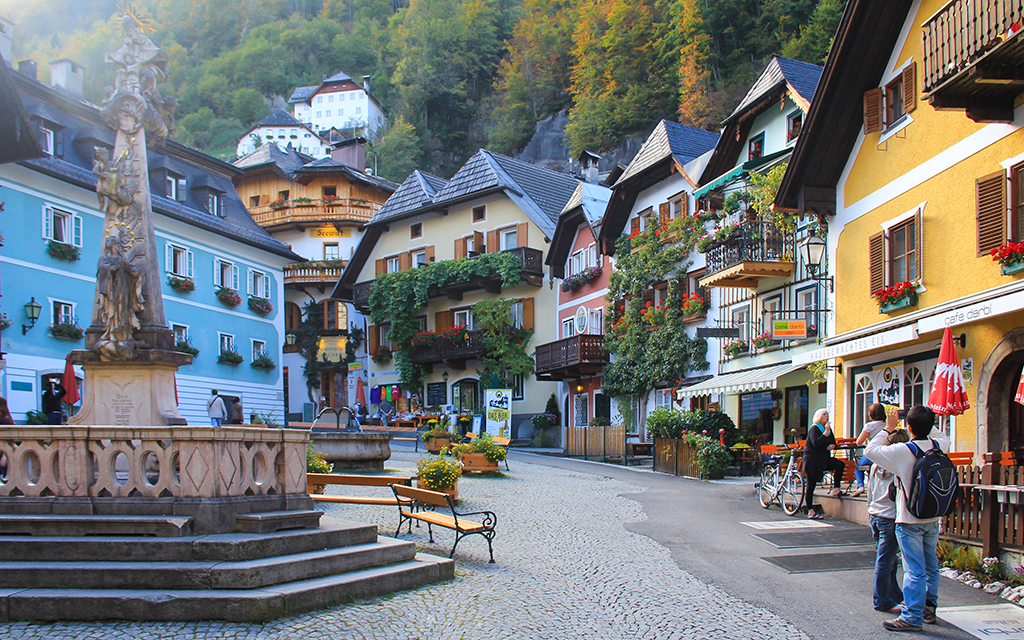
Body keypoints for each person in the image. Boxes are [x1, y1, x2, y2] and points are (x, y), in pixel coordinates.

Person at [866, 405, 950, 632]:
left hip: (909, 518)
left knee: (914, 569)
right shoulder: (940, 445)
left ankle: (912, 616)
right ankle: (929, 607)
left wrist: (887, 429)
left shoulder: (903, 450)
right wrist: (927, 425)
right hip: (932, 517)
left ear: (909, 427)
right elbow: (941, 434)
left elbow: (870, 451)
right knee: (932, 565)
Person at [868, 427, 910, 613]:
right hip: (890, 517)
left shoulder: (875, 465)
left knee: (888, 560)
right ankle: (882, 600)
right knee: (886, 562)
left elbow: (869, 492)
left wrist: (870, 510)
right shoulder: (899, 468)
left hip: (875, 515)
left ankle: (894, 594)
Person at [803, 408, 845, 519]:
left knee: (840, 465)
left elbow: (833, 441)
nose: (827, 416)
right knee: (811, 486)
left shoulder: (828, 429)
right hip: (813, 460)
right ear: (819, 417)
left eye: (827, 414)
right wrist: (825, 433)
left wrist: (832, 445)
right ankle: (810, 510)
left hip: (824, 459)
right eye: (824, 414)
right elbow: (816, 443)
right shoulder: (814, 428)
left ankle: (836, 488)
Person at [851, 403, 889, 497]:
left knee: (859, 467)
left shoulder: (869, 426)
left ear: (871, 414)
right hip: (884, 455)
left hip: (872, 454)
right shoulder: (887, 425)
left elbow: (859, 442)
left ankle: (860, 486)